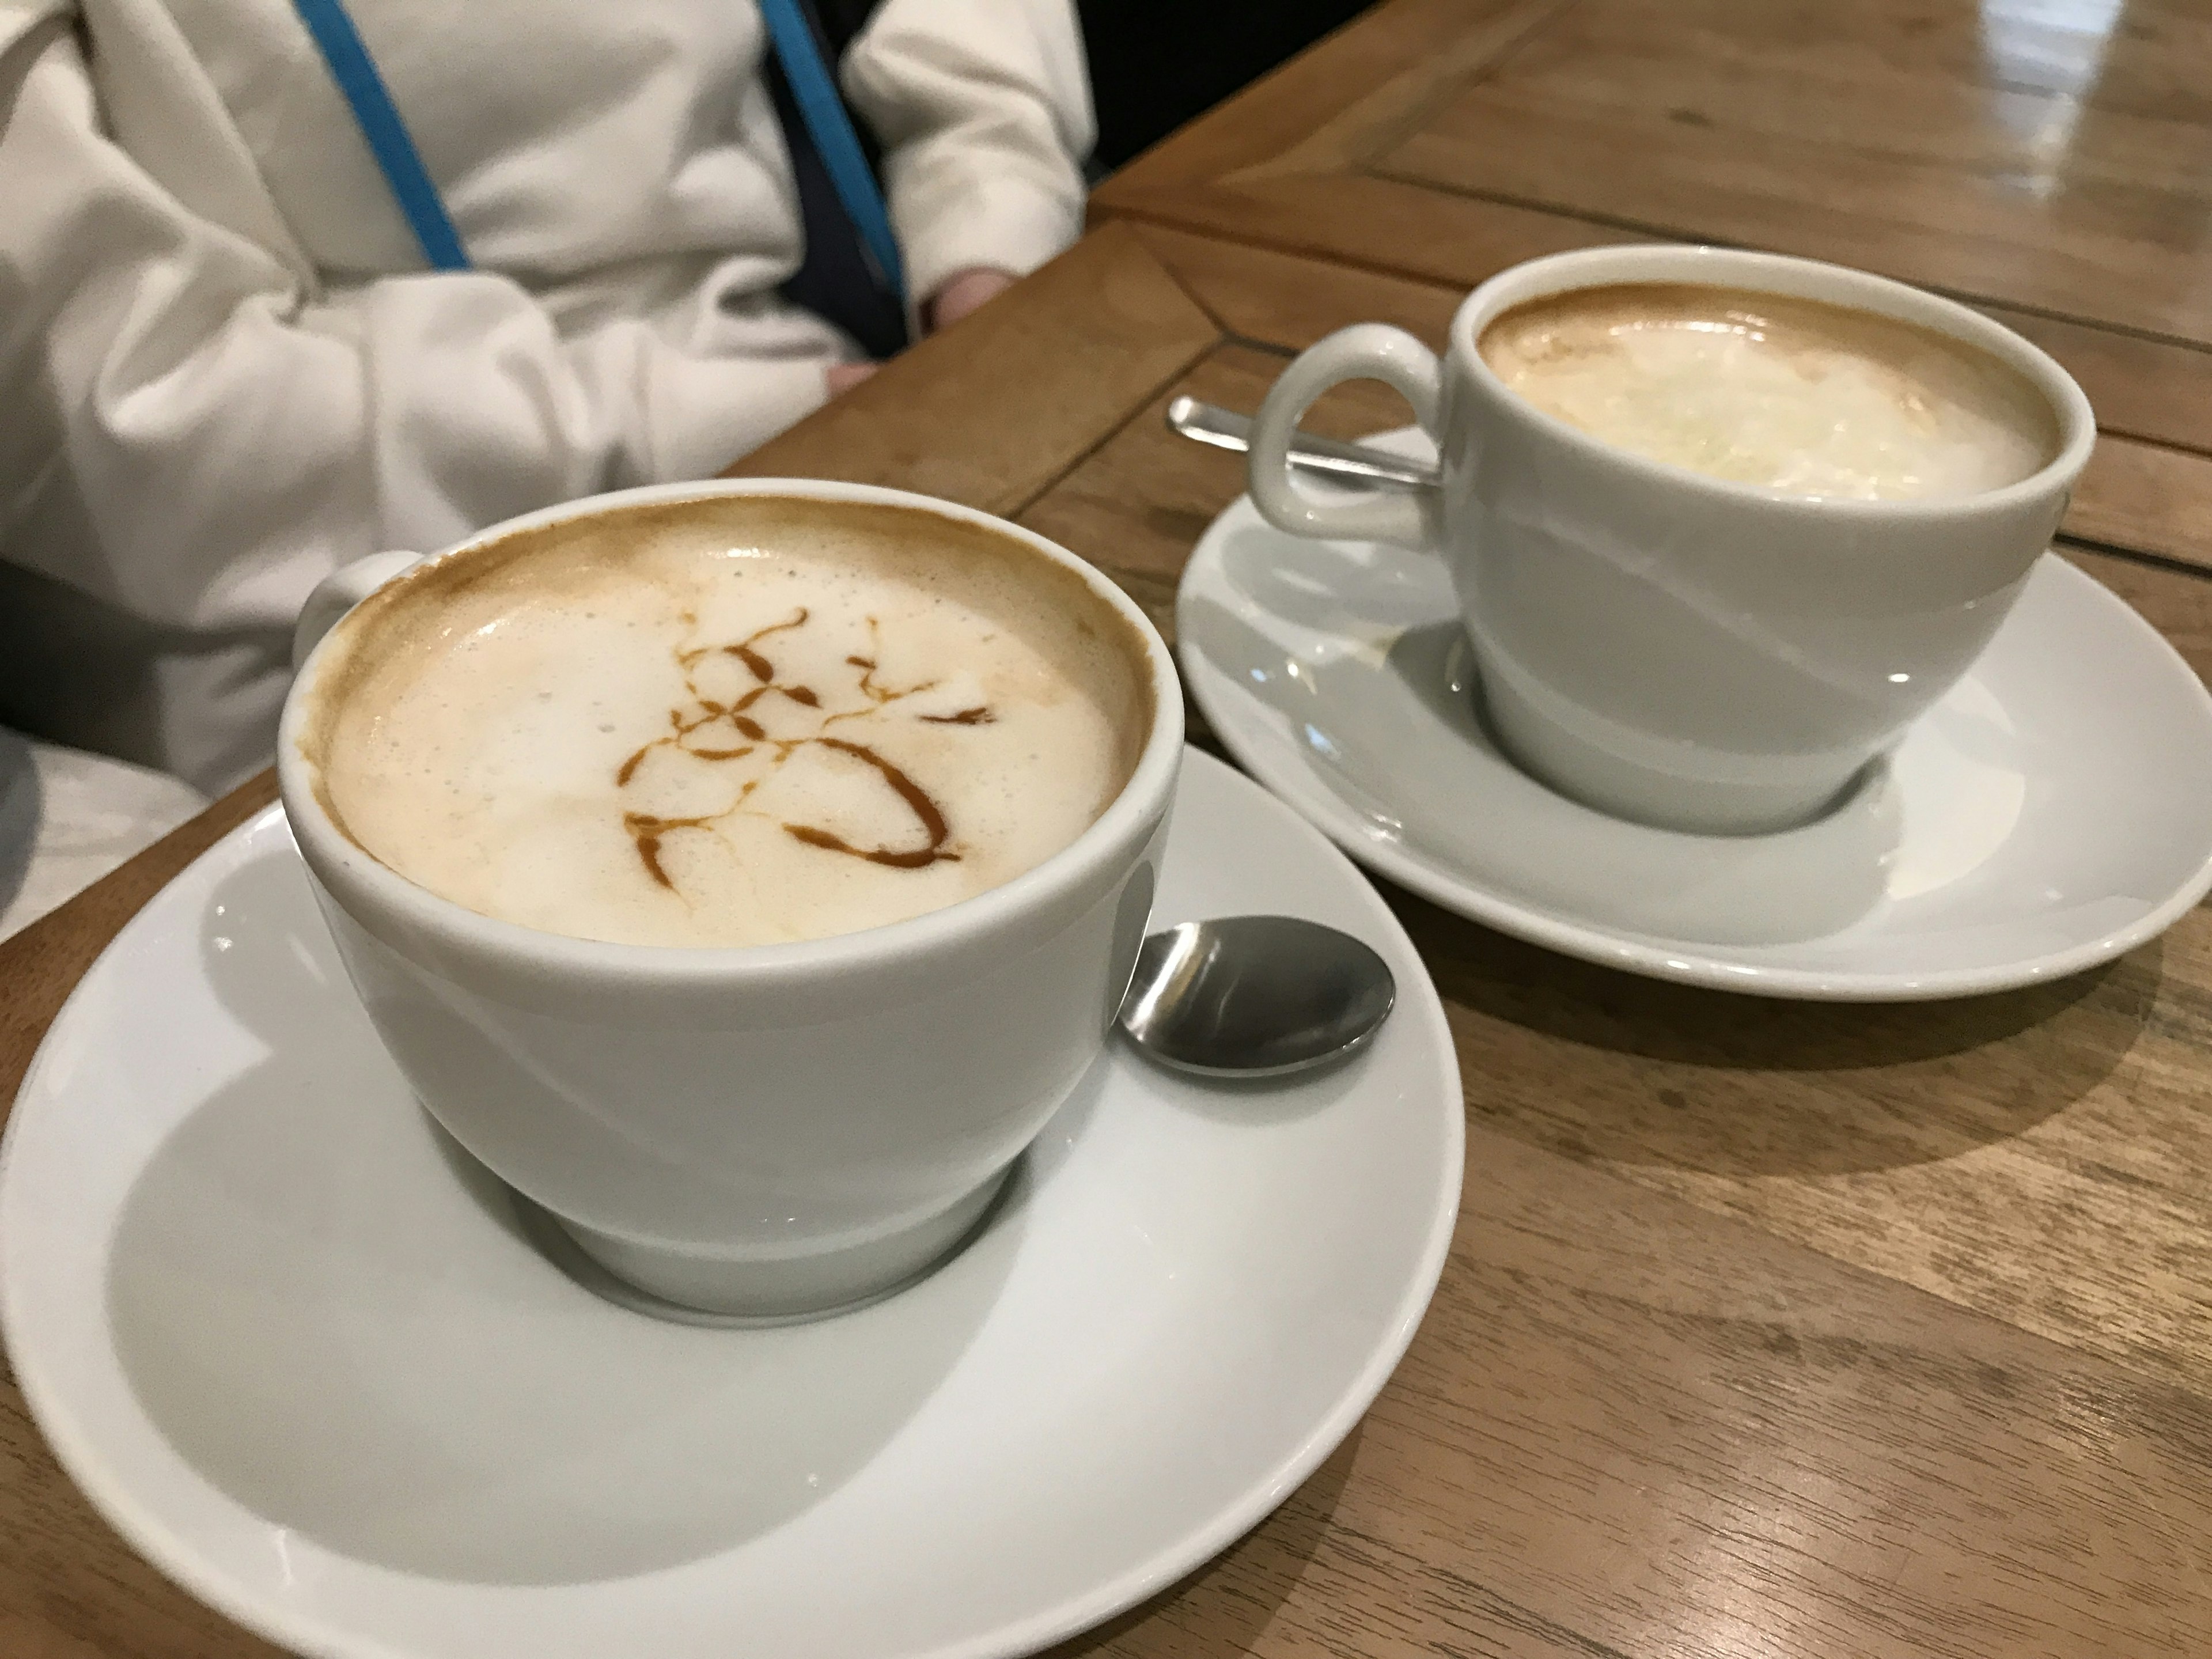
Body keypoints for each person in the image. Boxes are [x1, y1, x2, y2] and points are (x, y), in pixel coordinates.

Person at [0, 0, 1093, 795]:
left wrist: (991, 227)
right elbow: (135, 405)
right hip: (343, 597)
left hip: (840, 407)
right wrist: (746, 418)